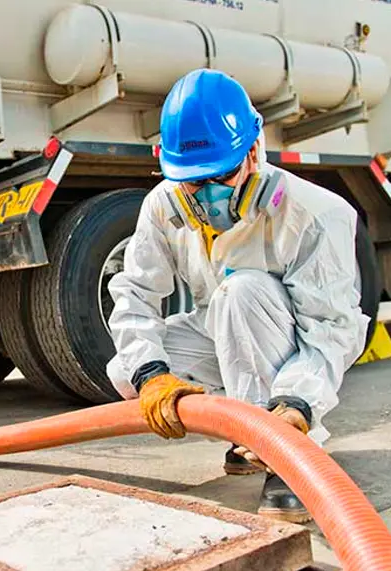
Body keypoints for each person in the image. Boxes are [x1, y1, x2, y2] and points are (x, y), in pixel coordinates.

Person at [105, 69, 369, 523]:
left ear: (252, 151)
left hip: (285, 333)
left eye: (219, 177)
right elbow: (135, 293)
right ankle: (246, 431)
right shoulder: (164, 204)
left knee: (240, 291)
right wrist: (152, 375)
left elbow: (329, 331)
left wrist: (299, 402)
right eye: (193, 181)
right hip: (224, 326)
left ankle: (286, 452)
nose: (205, 195)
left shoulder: (315, 214)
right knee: (126, 371)